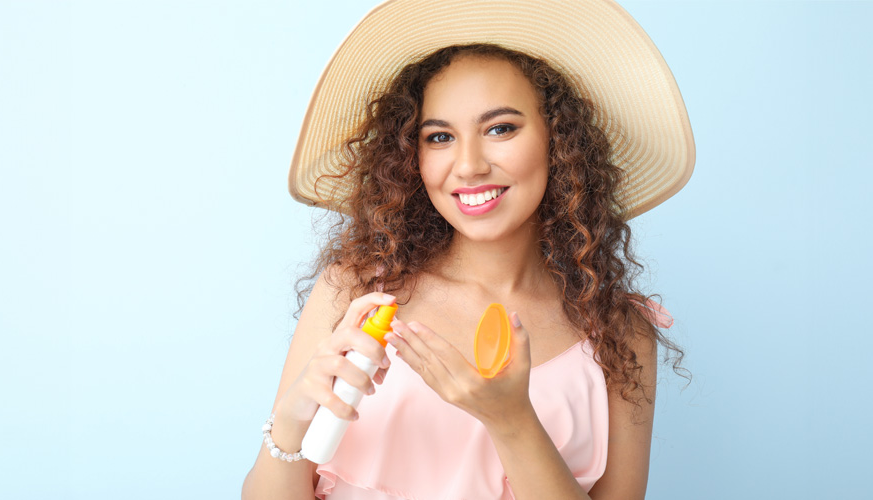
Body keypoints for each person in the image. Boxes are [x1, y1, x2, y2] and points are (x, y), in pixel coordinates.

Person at [243, 1, 694, 498]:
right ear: (411, 157)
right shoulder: (354, 293)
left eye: (500, 128)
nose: (468, 165)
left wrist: (511, 420)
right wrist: (288, 422)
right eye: (439, 137)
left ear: (560, 141)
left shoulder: (619, 334)